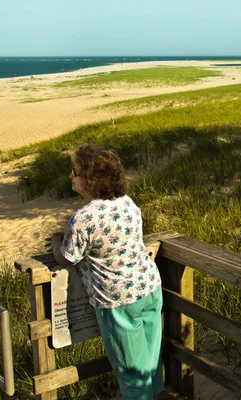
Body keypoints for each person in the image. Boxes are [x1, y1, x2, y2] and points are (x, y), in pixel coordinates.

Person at [51, 144, 164, 400]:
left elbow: (66, 258)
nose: (71, 176)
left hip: (118, 301)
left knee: (131, 372)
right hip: (149, 288)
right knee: (150, 363)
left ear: (92, 179)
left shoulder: (84, 217)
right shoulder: (127, 203)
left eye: (75, 171)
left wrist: (55, 241)